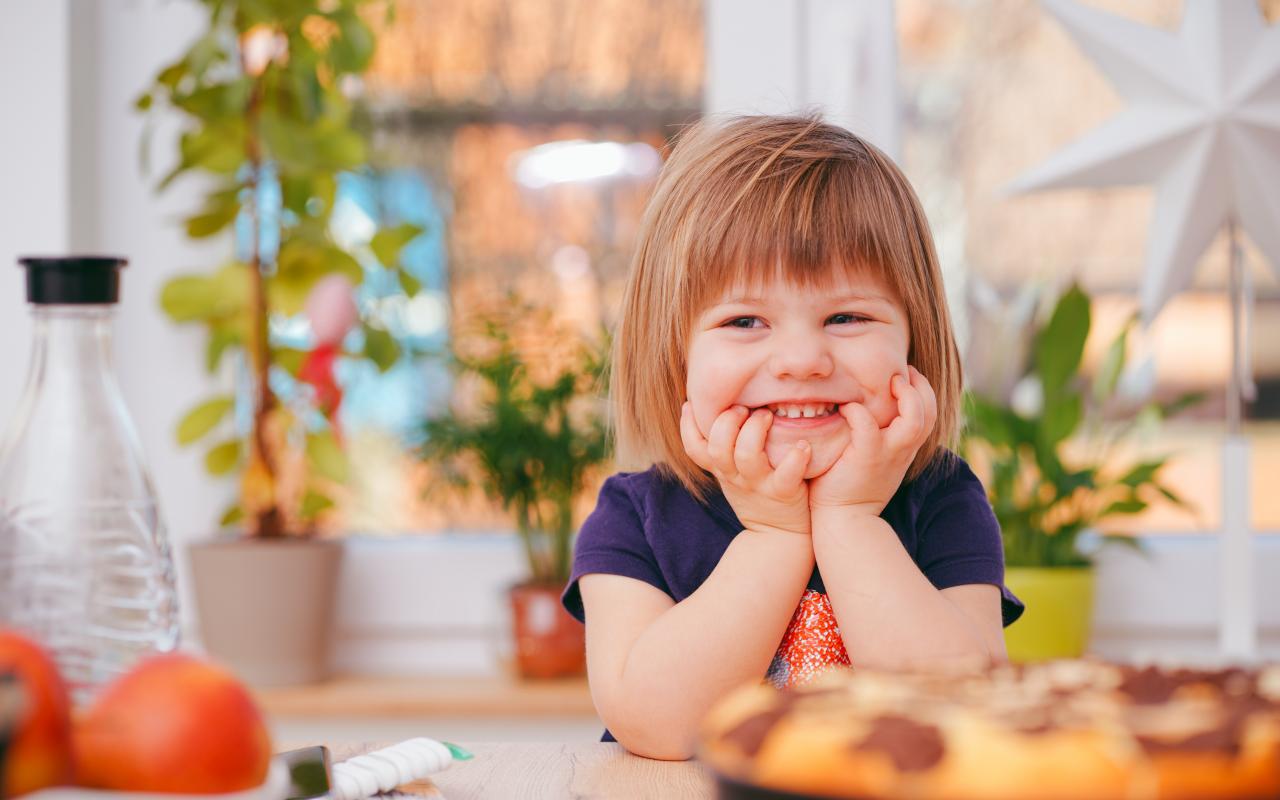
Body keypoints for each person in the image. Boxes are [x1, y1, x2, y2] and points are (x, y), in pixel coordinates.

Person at [559, 114, 1024, 761]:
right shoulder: (634, 517)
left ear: (914, 342)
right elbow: (656, 727)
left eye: (847, 316)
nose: (802, 360)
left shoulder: (942, 499)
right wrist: (774, 536)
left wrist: (850, 520)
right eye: (745, 321)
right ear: (675, 355)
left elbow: (962, 716)